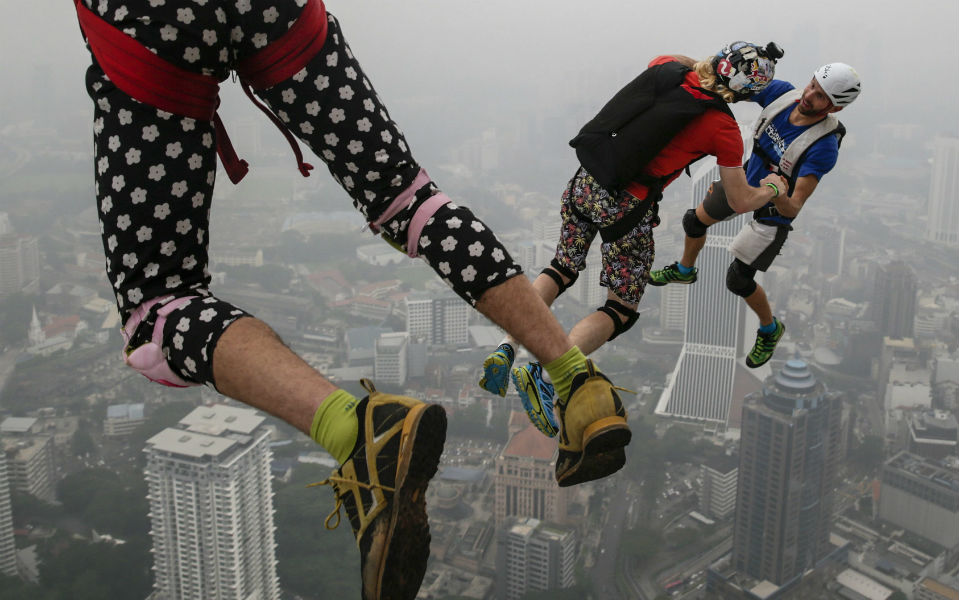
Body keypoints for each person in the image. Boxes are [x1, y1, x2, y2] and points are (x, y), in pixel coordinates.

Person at [72, 1, 629, 598]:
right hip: (274, 12)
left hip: (151, 20)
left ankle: (356, 432)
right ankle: (576, 381)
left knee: (158, 307)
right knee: (411, 201)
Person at [479, 42, 789, 437]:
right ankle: (544, 371)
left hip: (586, 182)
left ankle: (507, 346)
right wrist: (773, 188)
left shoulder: (668, 69)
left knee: (561, 267)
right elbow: (739, 199)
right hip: (627, 207)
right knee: (620, 307)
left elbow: (674, 57)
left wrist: (710, 62)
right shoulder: (723, 128)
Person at [649, 62, 860, 368]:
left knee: (738, 279)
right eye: (813, 84)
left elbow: (794, 206)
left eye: (820, 96)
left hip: (773, 211)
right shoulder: (782, 95)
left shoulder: (823, 146)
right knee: (693, 221)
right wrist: (705, 69)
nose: (809, 95)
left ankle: (770, 329)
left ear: (835, 108)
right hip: (746, 183)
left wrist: (778, 192)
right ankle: (685, 270)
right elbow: (731, 87)